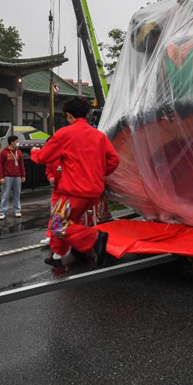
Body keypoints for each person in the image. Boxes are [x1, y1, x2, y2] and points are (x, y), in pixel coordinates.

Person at [30, 97, 120, 267]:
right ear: (87, 114)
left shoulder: (64, 134)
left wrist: (34, 152)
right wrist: (100, 171)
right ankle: (58, 256)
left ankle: (94, 238)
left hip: (74, 192)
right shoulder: (99, 136)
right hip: (94, 192)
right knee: (68, 222)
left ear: (69, 115)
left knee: (57, 224)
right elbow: (114, 160)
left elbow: (43, 157)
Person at [0, 135, 26, 221]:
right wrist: (1, 177)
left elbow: (21, 165)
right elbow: (0, 165)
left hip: (17, 176)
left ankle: (17, 210)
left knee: (17, 194)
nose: (17, 143)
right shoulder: (4, 152)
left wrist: (23, 175)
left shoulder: (19, 152)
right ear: (12, 142)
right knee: (5, 194)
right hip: (7, 176)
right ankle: (2, 212)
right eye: (16, 141)